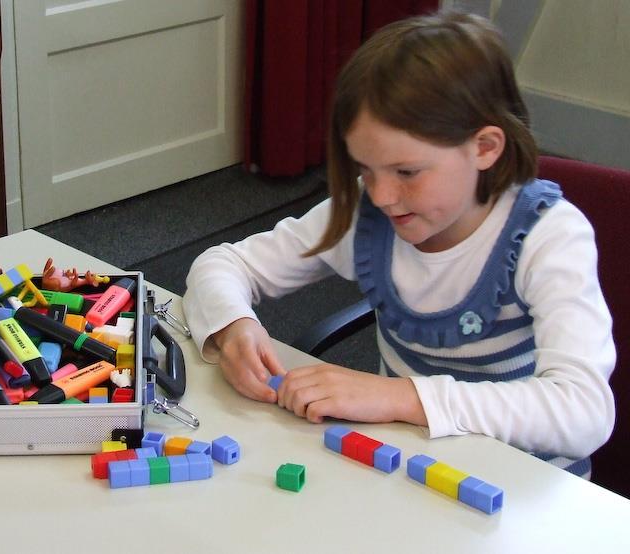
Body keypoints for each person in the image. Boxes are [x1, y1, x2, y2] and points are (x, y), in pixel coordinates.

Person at [182, 11, 616, 476]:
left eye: (407, 172)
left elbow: (584, 412)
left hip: (527, 495)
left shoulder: (547, 237)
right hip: (412, 469)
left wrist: (401, 395)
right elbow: (222, 264)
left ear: (486, 148)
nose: (382, 196)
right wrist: (234, 326)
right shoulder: (371, 212)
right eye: (366, 168)